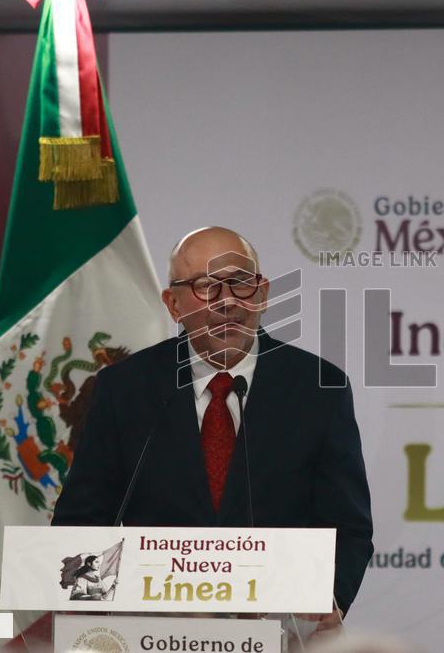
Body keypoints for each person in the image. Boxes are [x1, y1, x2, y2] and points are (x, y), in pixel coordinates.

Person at [53, 226, 373, 632]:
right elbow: (83, 520)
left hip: (281, 631)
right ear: (173, 304)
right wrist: (91, 614)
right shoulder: (126, 388)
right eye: (206, 286)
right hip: (153, 634)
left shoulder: (318, 387)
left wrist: (331, 595)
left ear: (263, 292)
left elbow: (349, 525)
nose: (226, 301)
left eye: (240, 283)